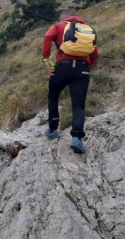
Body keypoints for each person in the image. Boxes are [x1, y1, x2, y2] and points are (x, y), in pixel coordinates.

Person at [42, 8, 99, 154]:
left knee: (53, 96)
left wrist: (46, 59)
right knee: (78, 104)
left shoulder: (58, 26)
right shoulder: (86, 30)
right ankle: (76, 139)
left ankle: (53, 129)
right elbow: (95, 54)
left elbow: (48, 37)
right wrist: (85, 67)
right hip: (82, 70)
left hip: (63, 67)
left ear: (63, 17)